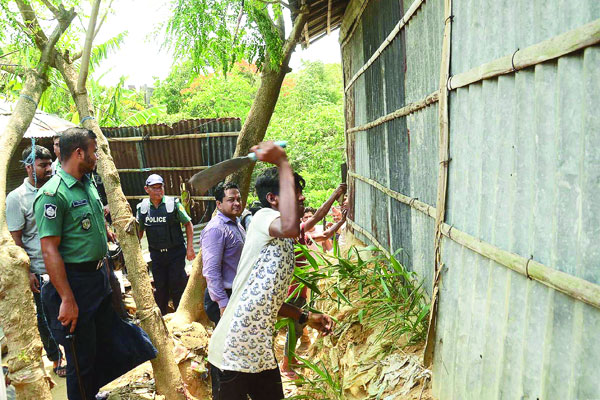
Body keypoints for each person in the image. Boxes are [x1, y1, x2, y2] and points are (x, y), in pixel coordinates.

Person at [34, 127, 157, 400]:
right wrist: (67, 298)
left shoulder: (87, 181)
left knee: (106, 345)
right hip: (74, 284)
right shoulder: (53, 195)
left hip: (99, 278)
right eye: (93, 150)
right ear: (79, 152)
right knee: (81, 360)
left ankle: (93, 394)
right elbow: (49, 250)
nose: (97, 156)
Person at [207, 141, 334, 400]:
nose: (301, 197)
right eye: (293, 191)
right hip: (233, 351)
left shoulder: (284, 242)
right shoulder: (264, 218)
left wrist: (306, 317)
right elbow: (289, 225)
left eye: (300, 192)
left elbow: (268, 300)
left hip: (260, 353)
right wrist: (282, 162)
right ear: (272, 199)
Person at [6, 145, 65, 377]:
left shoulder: (55, 189)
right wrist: (28, 272)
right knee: (46, 318)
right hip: (39, 269)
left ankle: (73, 353)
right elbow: (16, 241)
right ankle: (56, 358)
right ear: (29, 167)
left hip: (63, 264)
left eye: (50, 164)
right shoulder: (16, 198)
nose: (49, 169)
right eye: (43, 165)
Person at [280, 183, 347, 378]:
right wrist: (335, 193)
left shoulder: (302, 235)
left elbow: (326, 234)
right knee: (294, 326)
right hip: (293, 287)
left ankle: (290, 360)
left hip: (301, 286)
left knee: (298, 326)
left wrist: (342, 221)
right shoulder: (291, 234)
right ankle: (285, 366)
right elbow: (318, 216)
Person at [136, 173, 195, 315]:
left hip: (175, 253)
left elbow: (188, 224)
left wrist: (190, 248)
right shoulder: (142, 208)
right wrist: (136, 253)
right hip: (156, 255)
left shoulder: (173, 204)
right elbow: (139, 231)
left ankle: (180, 318)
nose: (158, 191)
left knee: (177, 286)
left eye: (160, 187)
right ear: (146, 189)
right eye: (154, 188)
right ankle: (162, 319)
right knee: (160, 288)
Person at [201, 182, 245, 324]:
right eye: (231, 200)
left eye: (238, 199)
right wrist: (223, 304)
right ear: (219, 204)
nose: (237, 203)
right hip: (223, 298)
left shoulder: (236, 223)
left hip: (236, 293)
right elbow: (211, 270)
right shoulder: (216, 229)